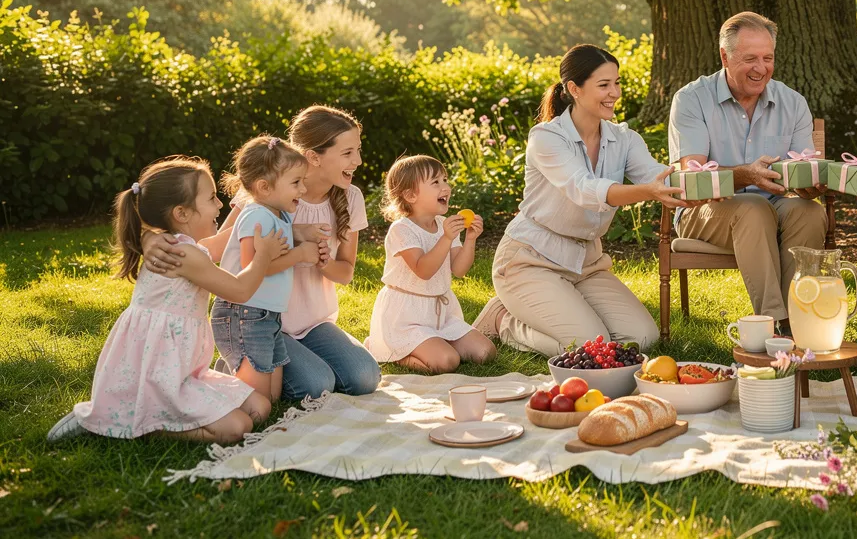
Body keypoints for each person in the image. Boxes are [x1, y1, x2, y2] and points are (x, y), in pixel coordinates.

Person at [143, 106, 383, 400]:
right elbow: (218, 248)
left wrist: (321, 259)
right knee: (315, 386)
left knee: (364, 377)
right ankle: (240, 365)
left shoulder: (350, 197)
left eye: (357, 150)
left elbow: (345, 273)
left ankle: (273, 364)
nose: (357, 161)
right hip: (261, 319)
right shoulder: (266, 193)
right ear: (313, 157)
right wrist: (153, 238)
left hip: (313, 322)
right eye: (348, 153)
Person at [47, 157, 286, 443]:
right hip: (159, 370)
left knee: (259, 408)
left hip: (180, 368)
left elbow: (222, 243)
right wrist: (263, 255)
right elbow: (239, 290)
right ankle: (131, 423)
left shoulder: (180, 245)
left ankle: (132, 415)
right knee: (237, 428)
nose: (220, 205)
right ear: (182, 213)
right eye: (211, 198)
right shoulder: (184, 254)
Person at [472, 44, 684, 356]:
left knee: (640, 339)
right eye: (604, 85)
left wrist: (714, 180)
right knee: (590, 347)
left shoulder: (624, 139)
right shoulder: (547, 137)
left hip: (587, 264)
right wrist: (649, 192)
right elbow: (584, 189)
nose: (614, 93)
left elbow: (656, 175)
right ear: (574, 89)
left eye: (617, 83)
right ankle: (505, 320)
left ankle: (559, 305)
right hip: (530, 260)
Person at [667, 11, 826, 333]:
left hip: (776, 203)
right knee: (753, 208)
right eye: (750, 58)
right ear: (725, 56)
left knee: (809, 212)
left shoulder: (792, 102)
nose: (761, 68)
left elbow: (803, 167)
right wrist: (743, 176)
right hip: (705, 208)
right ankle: (772, 323)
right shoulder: (692, 99)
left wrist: (813, 182)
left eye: (768, 58)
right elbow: (692, 176)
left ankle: (798, 323)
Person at [212, 136, 323, 403]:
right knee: (256, 401)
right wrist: (298, 254)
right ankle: (218, 385)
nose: (303, 190)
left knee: (271, 397)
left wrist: (301, 235)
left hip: (267, 315)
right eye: (296, 183)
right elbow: (255, 266)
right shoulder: (256, 216)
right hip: (244, 314)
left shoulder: (280, 214)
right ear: (264, 187)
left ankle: (230, 372)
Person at [365, 155, 496, 372]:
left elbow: (459, 269)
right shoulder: (402, 230)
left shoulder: (443, 224)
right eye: (435, 182)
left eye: (445, 180)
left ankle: (434, 343)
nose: (445, 187)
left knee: (485, 353)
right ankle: (391, 352)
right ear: (410, 195)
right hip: (407, 317)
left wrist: (470, 239)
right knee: (446, 362)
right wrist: (445, 238)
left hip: (439, 315)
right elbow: (423, 271)